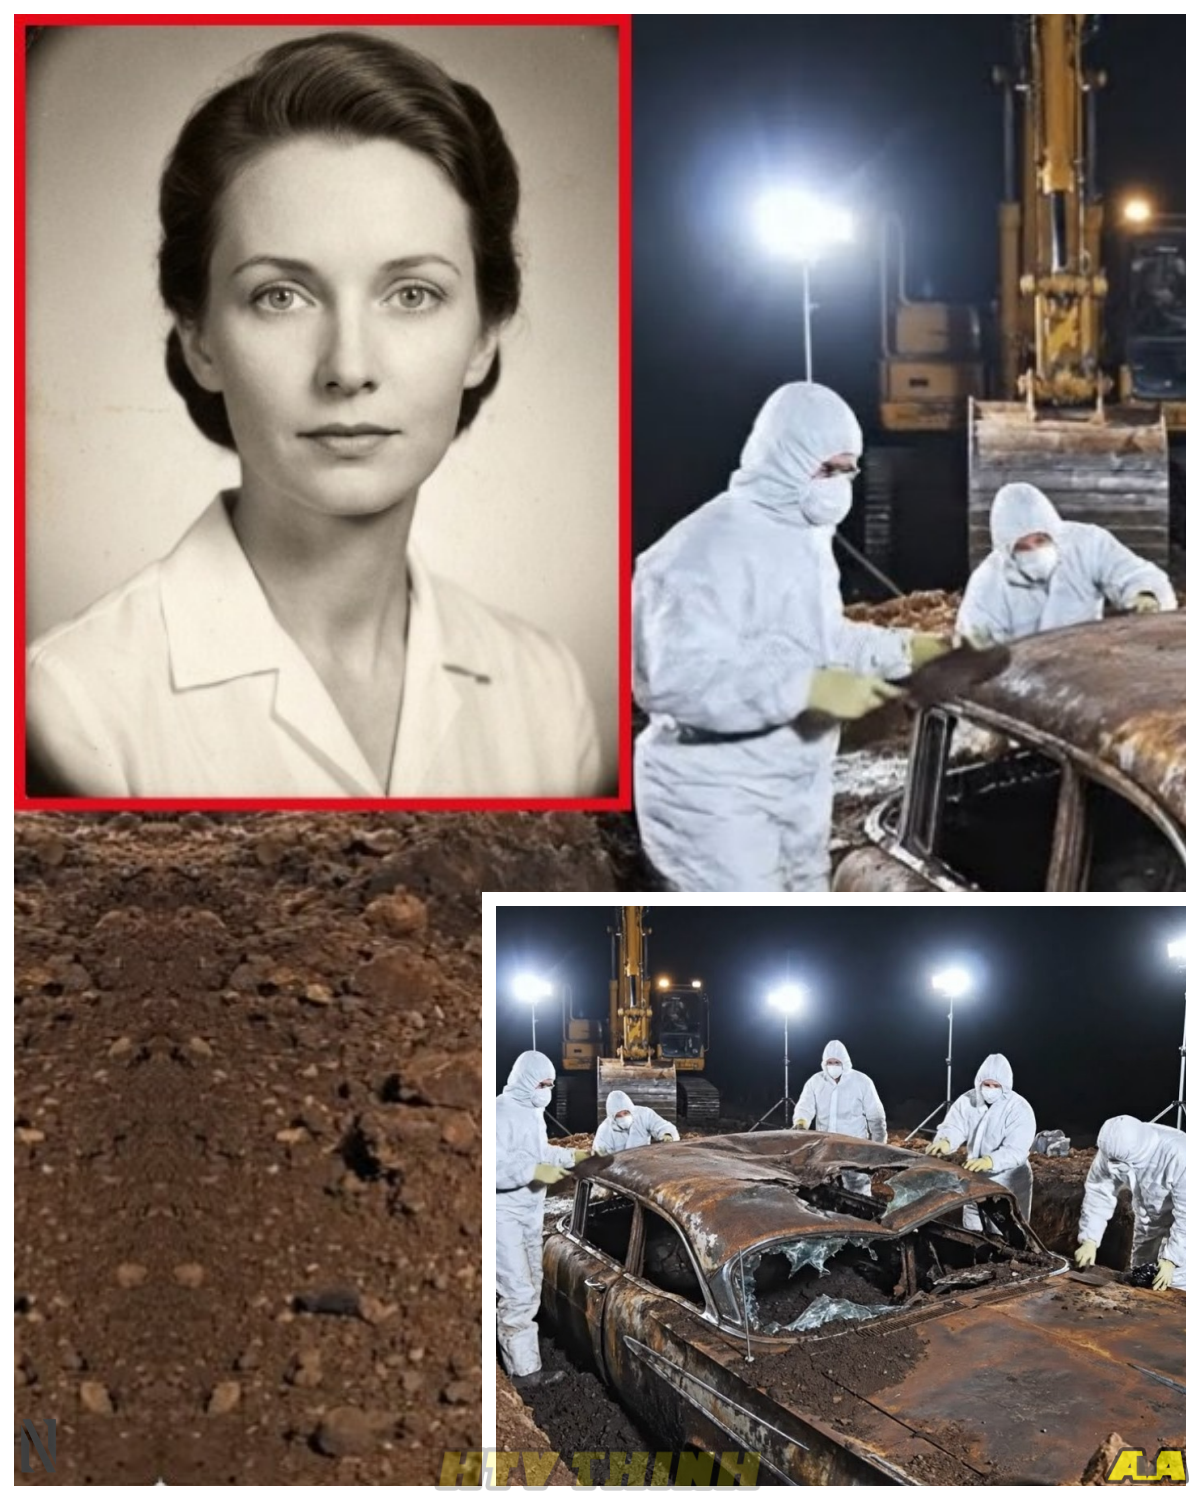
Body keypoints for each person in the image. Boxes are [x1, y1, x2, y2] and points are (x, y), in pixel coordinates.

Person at [26, 31, 602, 799]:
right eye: (280, 296)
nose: (348, 369)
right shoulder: (68, 707)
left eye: (412, 295)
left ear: (483, 337)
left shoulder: (544, 691)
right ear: (199, 337)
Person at [632, 382, 949, 892]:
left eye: (848, 469)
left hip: (795, 781)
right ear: (781, 461)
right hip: (715, 798)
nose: (839, 484)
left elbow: (818, 640)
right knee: (743, 949)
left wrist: (905, 650)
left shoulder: (802, 537)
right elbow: (676, 679)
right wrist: (806, 689)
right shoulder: (701, 550)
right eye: (827, 469)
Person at [956, 482, 1176, 648]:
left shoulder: (1087, 543)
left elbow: (1132, 573)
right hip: (1022, 675)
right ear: (1006, 550)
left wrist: (1146, 596)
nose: (1034, 551)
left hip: (1091, 657)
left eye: (1040, 540)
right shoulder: (988, 581)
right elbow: (977, 639)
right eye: (1022, 547)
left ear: (1054, 533)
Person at [495, 1050, 587, 1388]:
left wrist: (572, 1156)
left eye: (550, 1084)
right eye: (542, 1084)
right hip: (503, 1216)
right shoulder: (499, 1113)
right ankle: (523, 1373)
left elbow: (540, 1151)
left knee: (531, 1284)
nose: (546, 1090)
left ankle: (524, 1358)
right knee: (517, 1292)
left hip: (530, 1213)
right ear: (525, 1081)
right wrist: (534, 1171)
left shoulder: (532, 1113)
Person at [926, 1053, 1036, 1231]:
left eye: (996, 1086)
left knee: (1007, 1232)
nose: (990, 1089)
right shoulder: (968, 1101)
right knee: (973, 1231)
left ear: (1005, 1086)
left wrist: (990, 1161)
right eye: (987, 1084)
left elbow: (1016, 1150)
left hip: (1009, 1181)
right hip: (975, 1178)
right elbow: (954, 1126)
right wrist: (945, 1141)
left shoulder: (1019, 1109)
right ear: (979, 1083)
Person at [1074, 1114, 1185, 1290]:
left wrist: (1173, 1259)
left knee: (1175, 1285)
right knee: (1141, 1277)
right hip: (1148, 1222)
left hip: (1185, 1230)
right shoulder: (1113, 1148)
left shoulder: (1180, 1154)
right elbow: (1100, 1191)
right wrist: (1090, 1239)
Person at [793, 1039, 886, 1193]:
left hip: (854, 1148)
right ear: (824, 1063)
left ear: (845, 1062)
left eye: (837, 1062)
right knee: (823, 1188)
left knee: (857, 1188)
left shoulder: (862, 1082)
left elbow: (875, 1116)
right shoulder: (815, 1082)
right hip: (824, 1147)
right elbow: (805, 1106)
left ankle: (860, 1214)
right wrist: (801, 1121)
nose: (833, 1066)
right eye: (830, 1062)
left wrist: (879, 1147)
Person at [593, 1089, 680, 1155]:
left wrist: (667, 1135)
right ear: (612, 1117)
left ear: (631, 1110)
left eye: (626, 1113)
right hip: (618, 1167)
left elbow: (662, 1126)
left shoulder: (644, 1114)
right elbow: (600, 1154)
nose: (623, 1117)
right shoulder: (605, 1129)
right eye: (618, 1115)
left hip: (645, 1160)